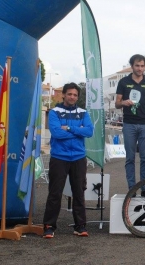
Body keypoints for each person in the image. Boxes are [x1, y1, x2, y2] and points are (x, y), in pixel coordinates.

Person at [43, 82, 94, 239]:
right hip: (59, 157)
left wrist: (70, 128)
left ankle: (80, 226)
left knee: (79, 192)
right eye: (70, 94)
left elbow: (89, 131)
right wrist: (79, 132)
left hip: (78, 157)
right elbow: (57, 133)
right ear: (63, 95)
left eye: (75, 95)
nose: (72, 97)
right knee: (55, 193)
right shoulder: (54, 112)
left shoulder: (83, 113)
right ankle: (49, 226)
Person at [115, 54, 145, 196]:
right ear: (132, 66)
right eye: (137, 66)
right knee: (130, 158)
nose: (140, 68)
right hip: (129, 124)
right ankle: (132, 188)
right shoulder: (123, 82)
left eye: (142, 66)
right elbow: (117, 103)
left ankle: (144, 188)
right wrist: (123, 103)